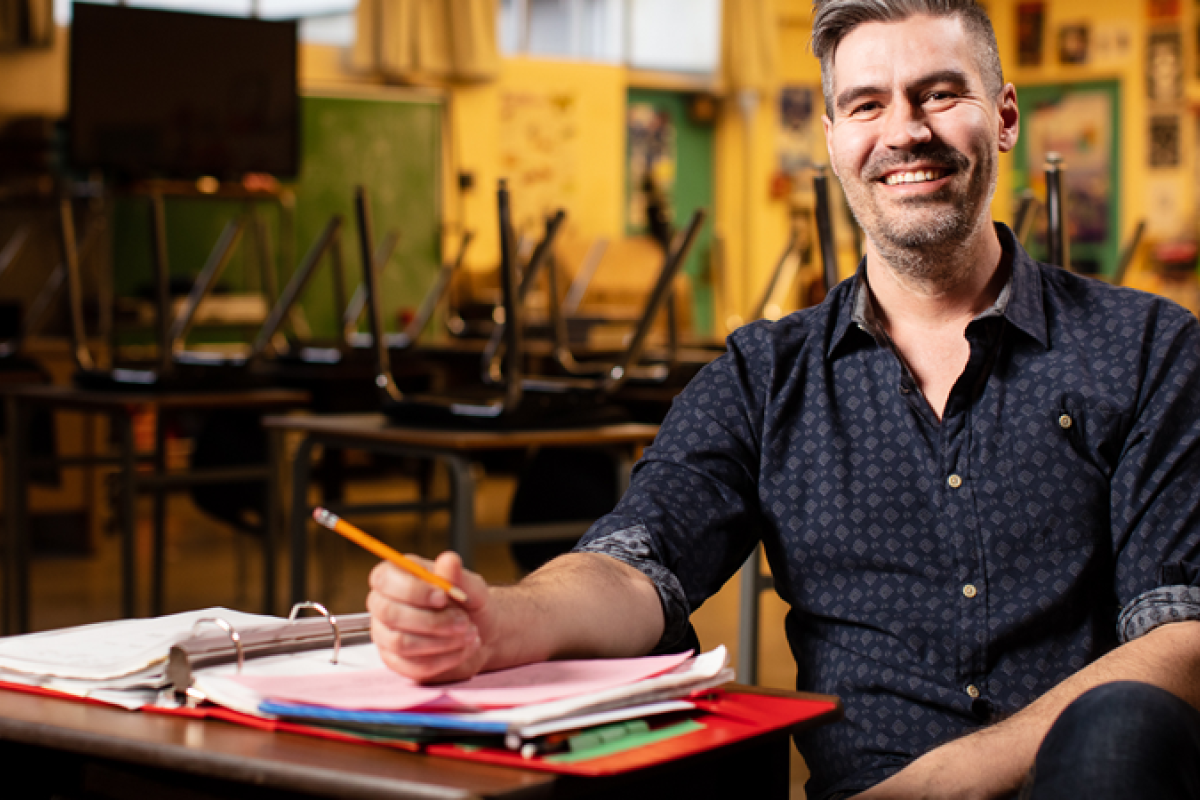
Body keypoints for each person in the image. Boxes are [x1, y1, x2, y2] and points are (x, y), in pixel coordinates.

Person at [367, 1, 1200, 797]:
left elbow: (1182, 638)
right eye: (866, 104)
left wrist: (929, 788)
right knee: (637, 652)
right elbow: (637, 562)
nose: (905, 130)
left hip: (1083, 780)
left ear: (1006, 116)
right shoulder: (765, 376)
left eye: (939, 94)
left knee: (1122, 721)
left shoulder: (1148, 351)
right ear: (832, 139)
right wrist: (500, 621)